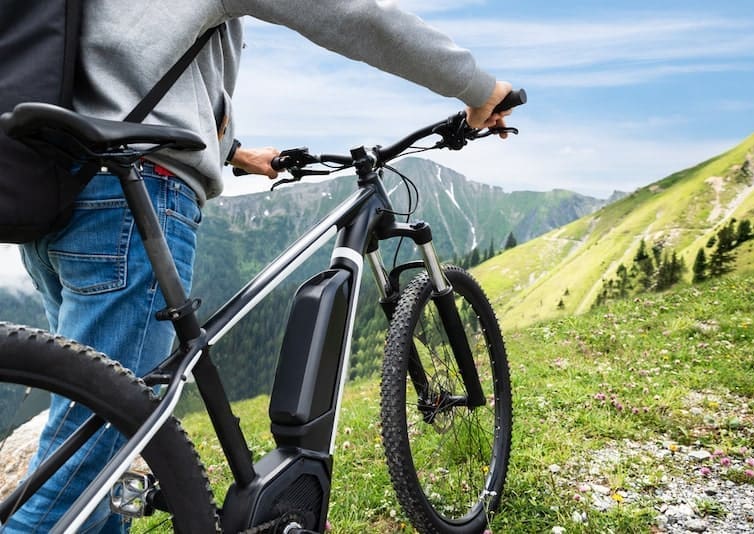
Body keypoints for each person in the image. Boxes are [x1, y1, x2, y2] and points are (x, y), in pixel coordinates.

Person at [10, 1, 514, 531]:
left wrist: (234, 151)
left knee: (106, 447)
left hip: (61, 193)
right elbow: (350, 13)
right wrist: (480, 89)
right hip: (134, 196)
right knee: (84, 475)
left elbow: (118, 58)